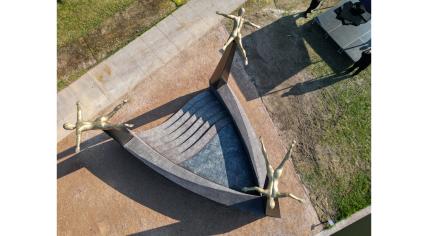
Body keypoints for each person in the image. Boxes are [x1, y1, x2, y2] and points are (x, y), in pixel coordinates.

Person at [242, 138, 304, 209]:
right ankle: (262, 142)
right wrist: (247, 189)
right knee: (268, 159)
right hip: (272, 176)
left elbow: (289, 194)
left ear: (272, 202)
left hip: (274, 176)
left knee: (282, 161)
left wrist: (299, 199)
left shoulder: (275, 195)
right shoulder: (268, 194)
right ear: (271, 202)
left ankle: (291, 146)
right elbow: (256, 188)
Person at [63, 100, 134, 153]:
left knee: (114, 126)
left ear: (69, 128)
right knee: (112, 112)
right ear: (69, 123)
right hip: (98, 120)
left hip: (99, 125)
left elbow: (78, 138)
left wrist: (77, 147)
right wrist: (78, 105)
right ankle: (123, 103)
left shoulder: (78, 129)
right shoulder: (79, 121)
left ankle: (125, 125)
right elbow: (79, 112)